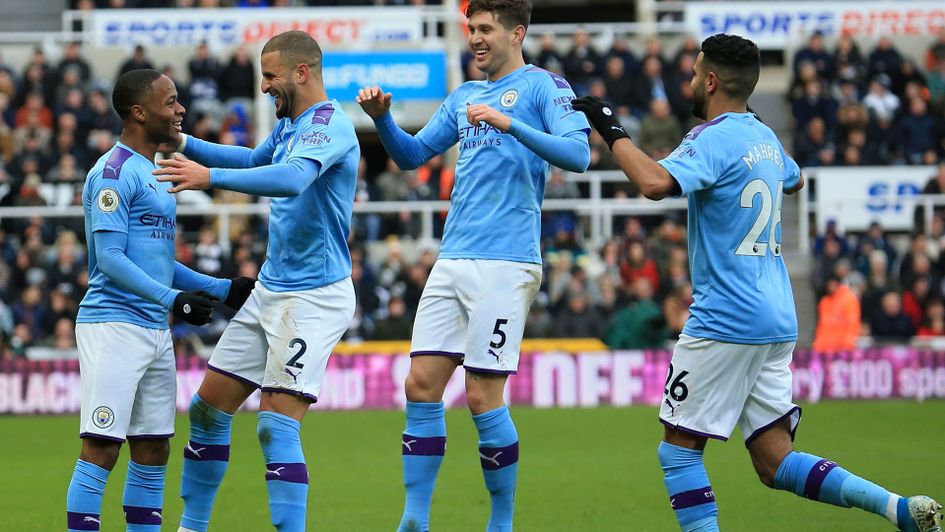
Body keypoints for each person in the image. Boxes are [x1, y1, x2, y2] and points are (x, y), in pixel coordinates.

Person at [573, 33, 943, 532]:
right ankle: (898, 508)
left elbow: (655, 184)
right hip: (776, 316)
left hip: (725, 316)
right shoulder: (765, 139)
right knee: (774, 460)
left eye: (693, 72)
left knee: (678, 453)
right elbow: (796, 180)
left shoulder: (711, 137)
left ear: (709, 80)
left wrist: (611, 129)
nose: (688, 81)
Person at [356, 1, 590, 530]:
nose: (476, 38)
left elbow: (578, 156)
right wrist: (383, 121)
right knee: (420, 385)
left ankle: (501, 521)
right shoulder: (464, 96)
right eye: (471, 29)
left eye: (486, 29)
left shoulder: (545, 87)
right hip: (453, 257)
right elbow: (412, 156)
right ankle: (414, 518)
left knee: (482, 395)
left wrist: (511, 124)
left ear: (517, 32)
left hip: (507, 262)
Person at [153, 31, 359, 532]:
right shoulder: (292, 126)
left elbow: (289, 179)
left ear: (301, 73)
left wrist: (208, 179)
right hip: (272, 289)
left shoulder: (330, 126)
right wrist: (182, 144)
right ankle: (192, 527)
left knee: (275, 425)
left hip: (314, 296)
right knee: (206, 410)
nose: (264, 86)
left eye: (269, 76)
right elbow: (253, 160)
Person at [65, 69, 253, 532]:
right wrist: (175, 300)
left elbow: (156, 260)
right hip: (113, 325)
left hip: (153, 328)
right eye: (170, 102)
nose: (180, 109)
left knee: (153, 447)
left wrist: (220, 289)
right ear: (138, 112)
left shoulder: (156, 171)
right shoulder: (111, 173)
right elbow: (109, 258)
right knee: (103, 446)